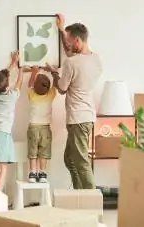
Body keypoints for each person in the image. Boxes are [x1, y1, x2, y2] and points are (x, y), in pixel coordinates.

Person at [43, 14, 103, 189]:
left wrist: (53, 72)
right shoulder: (96, 59)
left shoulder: (71, 63)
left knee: (81, 161)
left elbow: (61, 89)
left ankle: (91, 201)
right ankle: (79, 194)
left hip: (77, 118)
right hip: (87, 116)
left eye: (69, 41)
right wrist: (61, 30)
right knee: (70, 159)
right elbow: (72, 55)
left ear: (77, 40)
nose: (67, 45)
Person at [0, 51, 28, 193]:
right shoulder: (10, 97)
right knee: (2, 171)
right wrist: (20, 69)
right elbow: (19, 84)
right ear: (7, 86)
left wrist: (12, 63)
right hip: (2, 135)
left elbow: (2, 78)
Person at [26, 66, 56, 183]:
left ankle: (33, 173)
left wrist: (34, 72)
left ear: (35, 86)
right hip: (45, 128)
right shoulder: (50, 95)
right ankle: (42, 174)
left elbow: (29, 84)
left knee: (32, 151)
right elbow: (55, 86)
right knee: (44, 151)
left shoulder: (32, 95)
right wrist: (53, 71)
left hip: (33, 127)